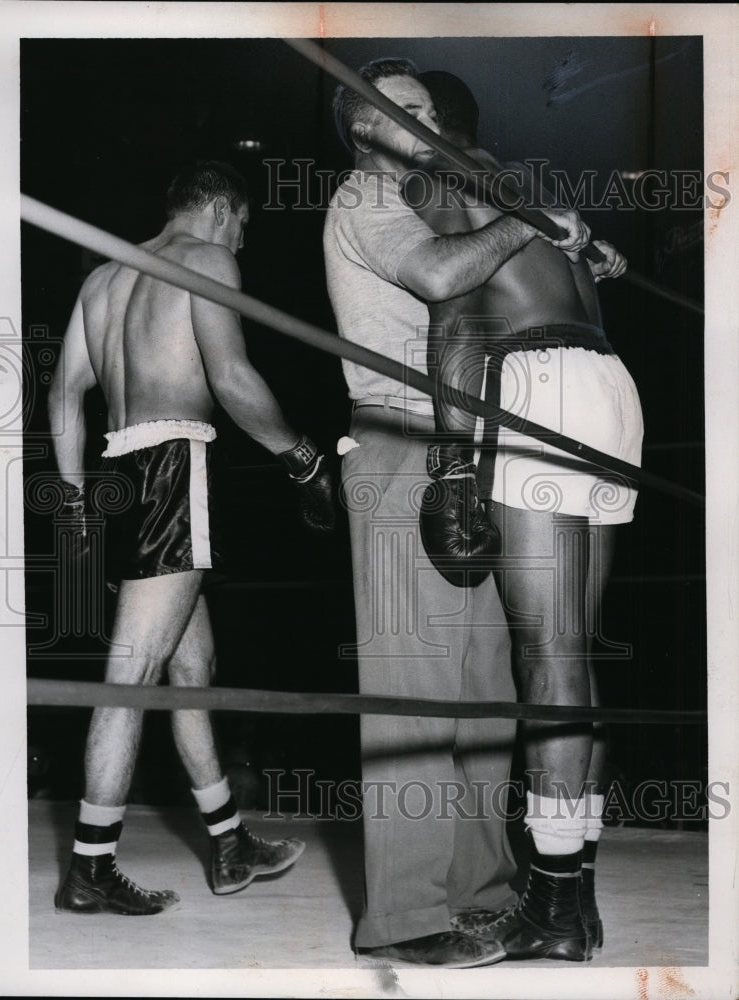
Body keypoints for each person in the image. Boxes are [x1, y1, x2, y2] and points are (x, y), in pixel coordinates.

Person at [323, 58, 591, 968]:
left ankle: (481, 895)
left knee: (486, 691)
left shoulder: (442, 190)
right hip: (403, 448)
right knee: (414, 699)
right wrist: (527, 222)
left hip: (470, 450)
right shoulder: (366, 197)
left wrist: (571, 240)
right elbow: (441, 279)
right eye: (399, 110)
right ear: (358, 127)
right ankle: (405, 917)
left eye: (429, 108)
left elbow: (509, 291)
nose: (422, 121)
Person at [48, 160, 335, 915]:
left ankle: (228, 839)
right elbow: (234, 378)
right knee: (132, 672)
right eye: (241, 222)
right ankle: (91, 863)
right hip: (173, 464)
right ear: (217, 209)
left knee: (191, 663)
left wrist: (77, 502)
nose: (241, 237)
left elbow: (63, 393)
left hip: (116, 474)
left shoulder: (104, 277)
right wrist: (302, 459)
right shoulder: (208, 259)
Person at [410, 70, 644, 961]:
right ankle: (571, 896)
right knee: (573, 647)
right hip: (609, 389)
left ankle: (549, 910)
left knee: (545, 653)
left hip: (539, 385)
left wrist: (451, 457)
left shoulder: (442, 174)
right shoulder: (533, 185)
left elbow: (453, 311)